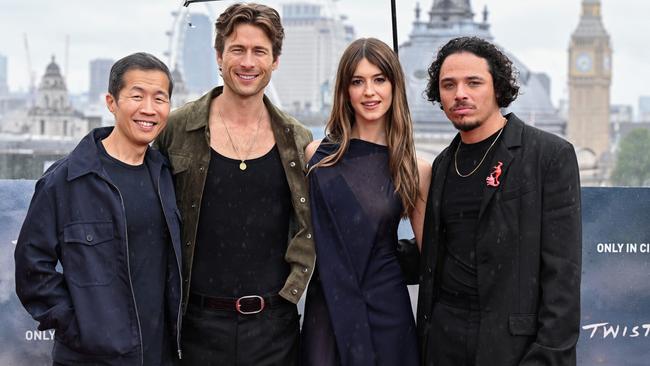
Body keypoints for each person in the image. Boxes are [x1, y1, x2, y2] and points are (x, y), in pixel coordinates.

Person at [154, 3, 314, 365]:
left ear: (275, 61)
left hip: (275, 328)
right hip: (194, 328)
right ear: (218, 55)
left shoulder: (297, 140)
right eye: (237, 49)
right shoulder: (176, 131)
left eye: (260, 51)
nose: (247, 62)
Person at [414, 36, 582, 365]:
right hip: (442, 344)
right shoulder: (443, 164)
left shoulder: (548, 156)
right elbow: (439, 250)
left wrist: (547, 357)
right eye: (448, 85)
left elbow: (563, 274)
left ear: (498, 88)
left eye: (473, 82)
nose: (459, 93)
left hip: (513, 349)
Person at [14, 52, 182, 366]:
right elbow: (31, 268)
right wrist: (82, 329)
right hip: (91, 358)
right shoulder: (65, 180)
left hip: (162, 355)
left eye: (160, 98)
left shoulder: (167, 175)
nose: (149, 109)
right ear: (111, 102)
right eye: (136, 96)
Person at [301, 38, 431, 366]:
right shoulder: (316, 155)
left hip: (387, 308)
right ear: (345, 90)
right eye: (357, 81)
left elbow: (430, 257)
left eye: (379, 79)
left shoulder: (415, 168)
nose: (369, 92)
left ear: (394, 86)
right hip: (326, 305)